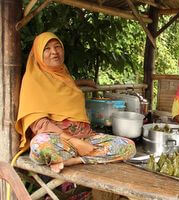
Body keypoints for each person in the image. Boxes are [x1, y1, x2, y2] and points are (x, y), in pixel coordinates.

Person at [15, 32, 136, 173]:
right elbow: (39, 124)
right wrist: (74, 142)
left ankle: (75, 160)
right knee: (39, 146)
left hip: (86, 138)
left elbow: (62, 87)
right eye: (46, 49)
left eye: (57, 46)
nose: (54, 52)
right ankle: (86, 154)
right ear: (38, 53)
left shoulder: (64, 76)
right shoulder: (32, 81)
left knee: (129, 146)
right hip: (60, 141)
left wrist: (84, 82)